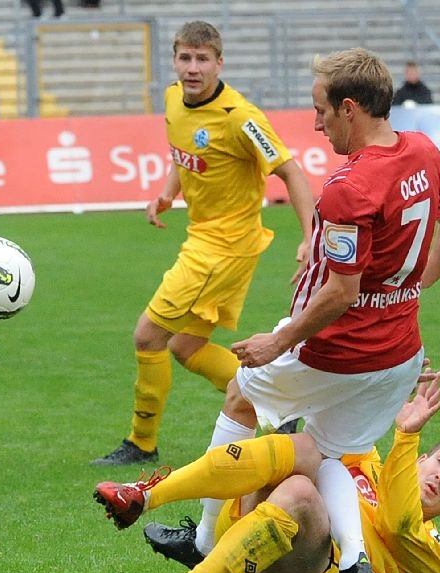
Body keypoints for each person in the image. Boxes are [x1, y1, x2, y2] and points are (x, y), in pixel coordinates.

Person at [129, 46, 440, 573]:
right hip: (399, 348)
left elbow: (342, 291)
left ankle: (205, 537)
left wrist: (279, 339)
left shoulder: (349, 185)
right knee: (326, 452)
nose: (315, 124)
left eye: (321, 111)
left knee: (241, 393)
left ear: (350, 109)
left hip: (340, 345)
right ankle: (354, 558)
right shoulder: (424, 152)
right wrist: (409, 289)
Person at [90, 370, 440, 573]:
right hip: (249, 524)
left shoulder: (435, 552)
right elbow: (337, 417)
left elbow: (397, 521)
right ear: (423, 459)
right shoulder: (370, 464)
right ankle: (149, 499)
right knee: (251, 400)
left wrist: (406, 433)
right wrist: (385, 377)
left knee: (300, 487)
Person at [92, 21, 314, 466]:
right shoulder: (174, 99)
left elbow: (290, 172)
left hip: (224, 248)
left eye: (202, 59)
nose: (192, 68)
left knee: (148, 335)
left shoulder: (240, 117)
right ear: (174, 60)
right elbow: (183, 155)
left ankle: (141, 443)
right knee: (185, 347)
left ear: (219, 63)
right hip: (206, 240)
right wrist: (168, 193)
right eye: (185, 58)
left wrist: (311, 236)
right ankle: (282, 411)